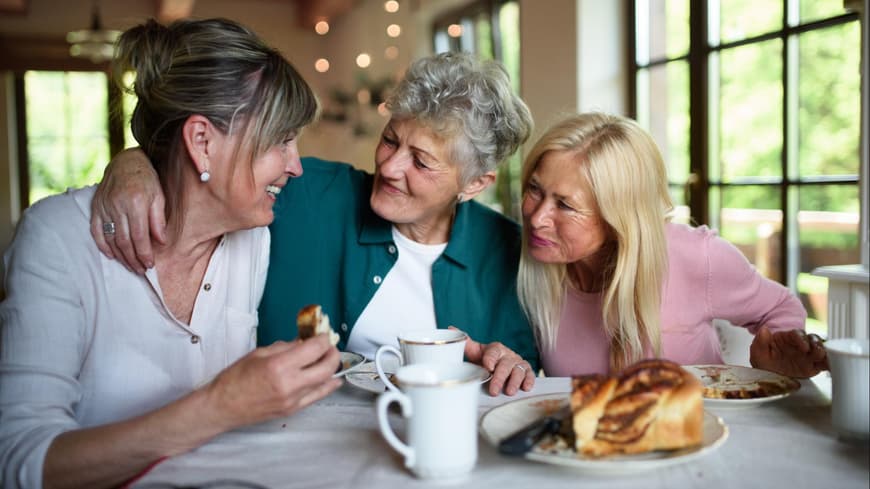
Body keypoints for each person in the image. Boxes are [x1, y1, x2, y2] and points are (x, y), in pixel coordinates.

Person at [0, 18, 342, 489]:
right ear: (202, 142)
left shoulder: (252, 240)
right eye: (280, 140)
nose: (295, 165)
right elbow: (19, 464)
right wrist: (220, 406)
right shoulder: (58, 239)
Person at [89, 51, 538, 396]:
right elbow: (197, 160)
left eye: (420, 161)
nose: (391, 167)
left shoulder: (508, 254)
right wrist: (133, 164)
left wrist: (510, 365)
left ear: (476, 183)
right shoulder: (309, 192)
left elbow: (520, 379)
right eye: (390, 141)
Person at [517, 112, 828, 377]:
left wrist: (772, 363)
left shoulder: (694, 256)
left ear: (618, 218)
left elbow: (781, 306)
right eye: (534, 189)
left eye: (565, 205)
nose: (537, 217)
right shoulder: (533, 264)